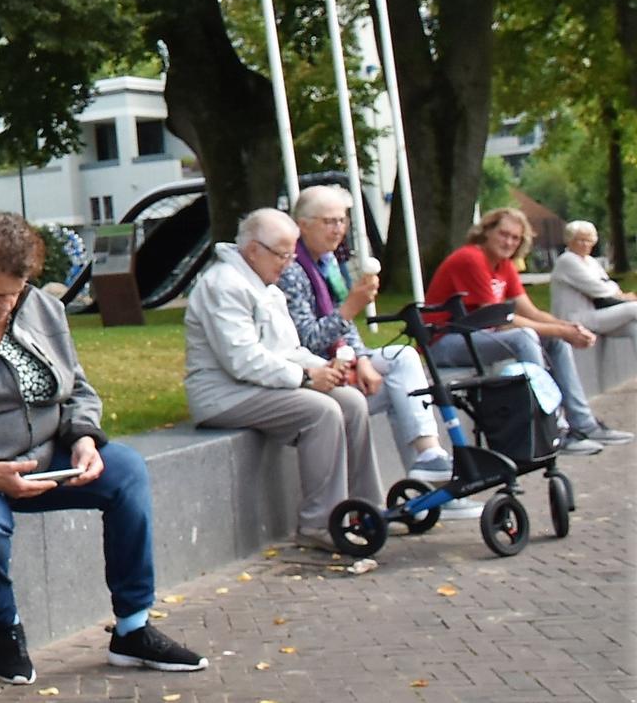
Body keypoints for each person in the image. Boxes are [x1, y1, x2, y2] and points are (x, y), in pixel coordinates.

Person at [0, 212, 208, 686]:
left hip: (49, 457)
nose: (8, 305)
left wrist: (84, 438)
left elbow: (78, 390)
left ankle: (132, 627)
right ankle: (3, 628)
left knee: (127, 470)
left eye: (17, 292)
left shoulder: (38, 307)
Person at [185, 209, 379, 551]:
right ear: (254, 249)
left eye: (292, 253)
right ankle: (319, 523)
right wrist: (306, 376)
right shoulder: (224, 285)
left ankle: (368, 509)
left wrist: (326, 368)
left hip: (257, 387)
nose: (289, 263)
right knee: (321, 411)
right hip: (224, 395)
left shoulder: (266, 285)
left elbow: (289, 348)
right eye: (282, 254)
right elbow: (241, 361)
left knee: (350, 401)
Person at [275, 185, 455, 482]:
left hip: (344, 357)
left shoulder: (329, 262)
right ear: (302, 225)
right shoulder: (292, 270)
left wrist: (362, 358)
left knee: (404, 358)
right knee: (402, 388)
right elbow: (307, 339)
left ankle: (430, 457)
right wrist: (350, 308)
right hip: (317, 369)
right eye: (329, 222)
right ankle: (430, 473)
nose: (338, 229)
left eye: (342, 221)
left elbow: (346, 324)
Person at [423, 207, 632, 453]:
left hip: (475, 337)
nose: (509, 242)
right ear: (486, 231)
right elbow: (502, 320)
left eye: (516, 238)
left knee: (554, 340)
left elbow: (530, 312)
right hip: (443, 341)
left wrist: (567, 328)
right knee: (525, 337)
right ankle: (554, 429)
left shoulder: (504, 265)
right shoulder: (471, 258)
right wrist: (560, 330)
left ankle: (583, 423)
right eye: (503, 234)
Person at [549, 220, 637, 336]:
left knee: (632, 326)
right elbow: (597, 288)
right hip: (575, 317)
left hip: (593, 313)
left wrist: (614, 289)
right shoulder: (567, 260)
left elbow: (607, 283)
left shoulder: (590, 261)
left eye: (588, 240)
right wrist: (621, 295)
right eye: (580, 240)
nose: (585, 244)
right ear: (570, 241)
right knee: (633, 308)